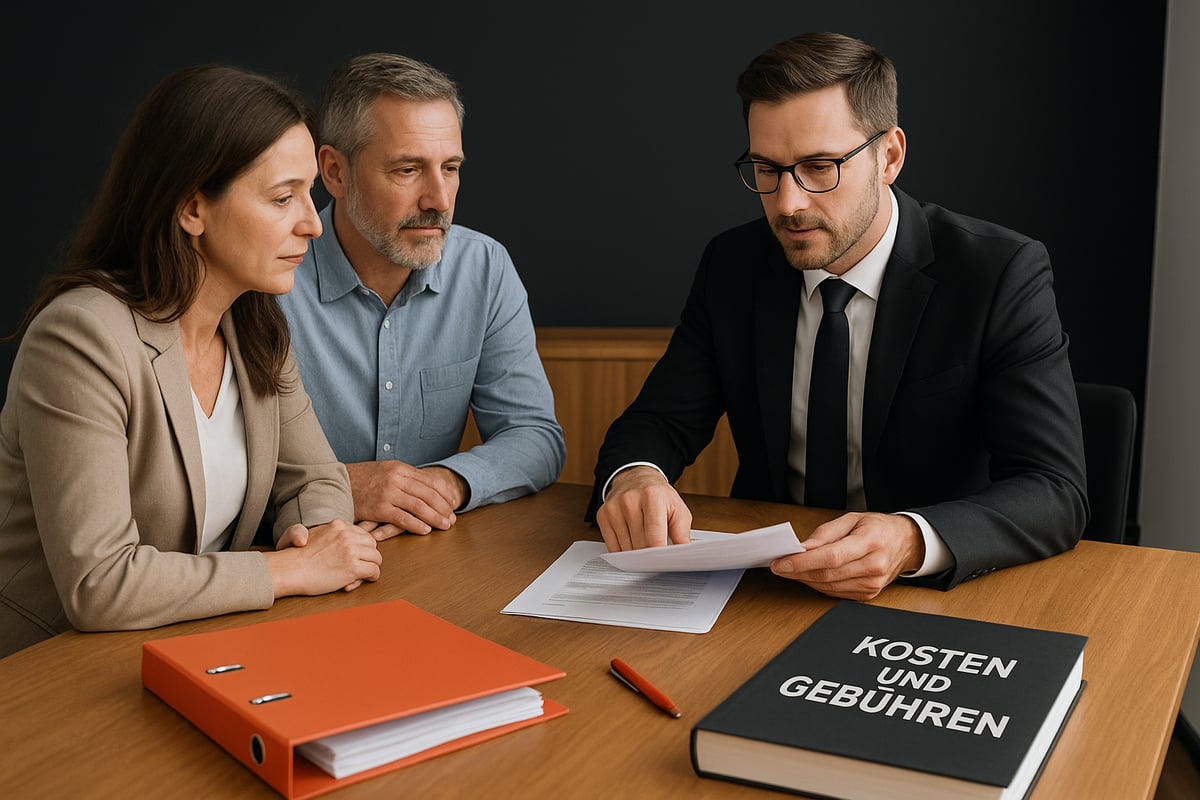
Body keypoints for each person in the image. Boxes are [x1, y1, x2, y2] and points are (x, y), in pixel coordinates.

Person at [587, 32, 1088, 600]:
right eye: (766, 169)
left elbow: (1054, 490)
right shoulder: (734, 265)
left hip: (924, 595)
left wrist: (910, 538)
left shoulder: (997, 273)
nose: (788, 202)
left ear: (889, 156)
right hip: (766, 589)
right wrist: (635, 476)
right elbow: (659, 421)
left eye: (820, 166)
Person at [0, 64, 383, 659]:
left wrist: (314, 531)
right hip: (46, 669)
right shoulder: (80, 338)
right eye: (284, 198)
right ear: (192, 209)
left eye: (310, 194)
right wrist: (292, 571)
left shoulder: (256, 328)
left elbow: (316, 478)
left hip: (180, 645)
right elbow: (99, 584)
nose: (313, 223)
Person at [277, 53, 565, 536]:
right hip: (293, 554)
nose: (440, 200)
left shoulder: (484, 267)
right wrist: (343, 485)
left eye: (450, 167)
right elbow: (217, 464)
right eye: (408, 170)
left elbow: (534, 437)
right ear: (334, 172)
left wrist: (442, 485)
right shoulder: (270, 280)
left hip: (427, 548)